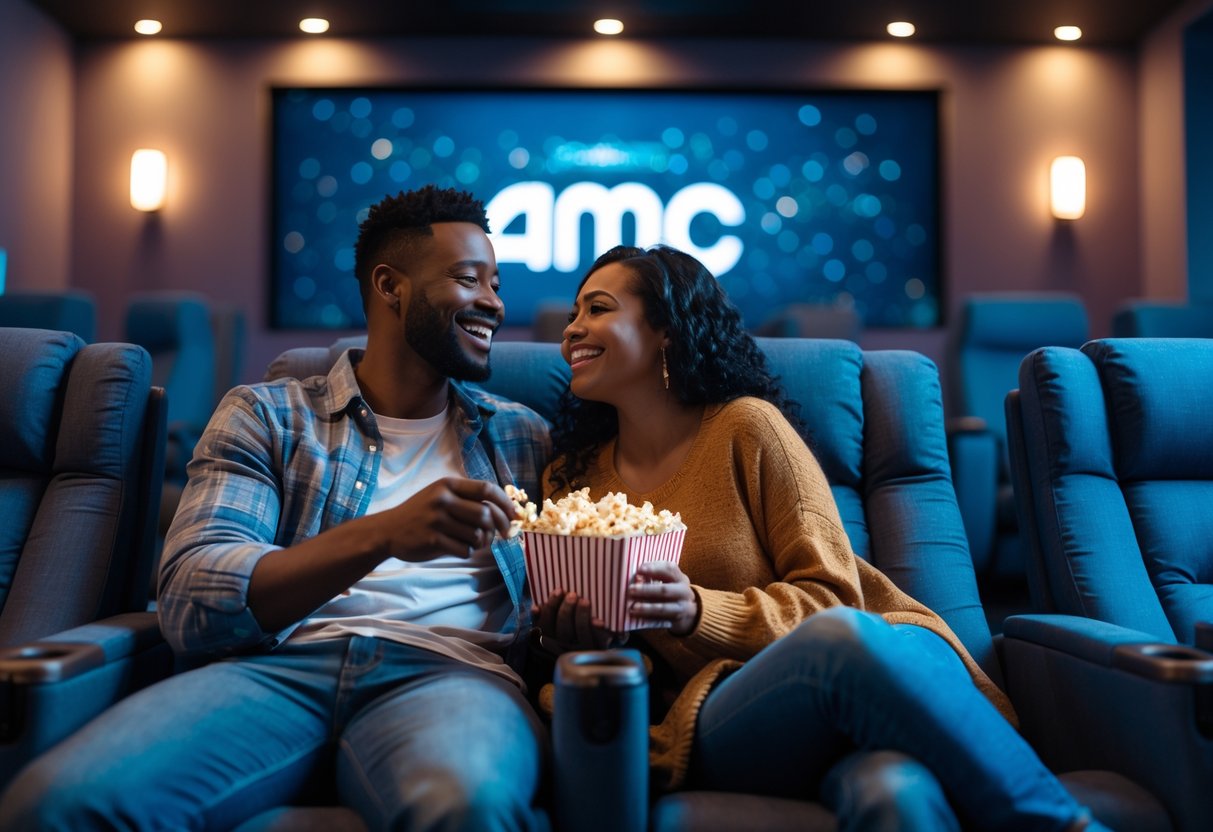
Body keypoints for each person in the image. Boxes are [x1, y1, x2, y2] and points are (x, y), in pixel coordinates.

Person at [0, 185, 552, 831]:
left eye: (495, 284)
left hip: (454, 676)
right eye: (468, 279)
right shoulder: (269, 414)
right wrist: (384, 535)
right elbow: (192, 598)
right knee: (59, 805)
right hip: (277, 672)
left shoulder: (522, 436)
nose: (494, 302)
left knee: (465, 806)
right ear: (389, 286)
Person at [535, 243, 1110, 832]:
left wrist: (698, 612)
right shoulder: (568, 483)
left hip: (875, 661)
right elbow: (583, 660)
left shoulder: (747, 428)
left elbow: (835, 600)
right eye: (574, 313)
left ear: (666, 331)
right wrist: (574, 638)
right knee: (842, 649)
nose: (572, 329)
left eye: (597, 309)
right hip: (729, 714)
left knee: (895, 794)